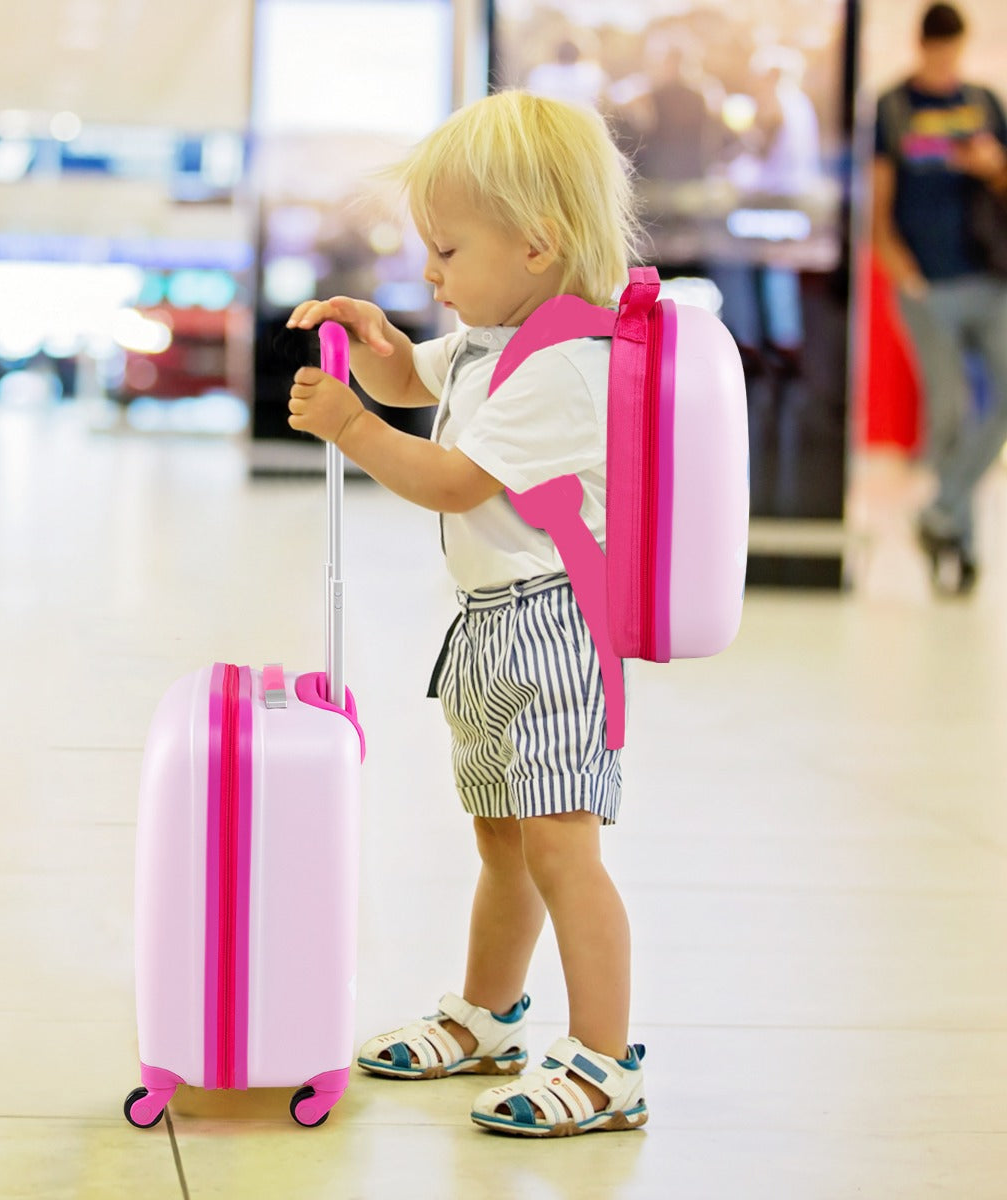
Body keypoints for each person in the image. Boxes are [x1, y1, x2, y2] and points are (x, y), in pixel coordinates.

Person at [284, 90, 648, 1138]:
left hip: (552, 630)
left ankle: (606, 1063)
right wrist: (378, 345)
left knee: (561, 847)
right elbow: (417, 381)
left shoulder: (569, 367)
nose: (432, 274)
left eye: (447, 250)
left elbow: (450, 478)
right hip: (489, 626)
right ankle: (491, 1015)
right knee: (503, 839)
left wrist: (350, 426)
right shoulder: (496, 340)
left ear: (537, 247)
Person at [873, 2, 1007, 594]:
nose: (946, 62)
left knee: (997, 407)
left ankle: (941, 513)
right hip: (928, 285)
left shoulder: (984, 102)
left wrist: (994, 167)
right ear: (922, 46)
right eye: (938, 51)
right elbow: (878, 199)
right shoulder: (894, 107)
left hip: (988, 278)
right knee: (950, 412)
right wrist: (901, 268)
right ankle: (961, 546)